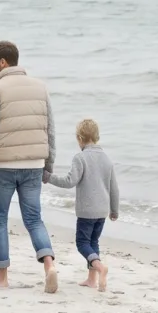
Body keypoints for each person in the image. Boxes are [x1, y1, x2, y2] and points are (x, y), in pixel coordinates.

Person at [0, 39, 60, 292]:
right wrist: (49, 163)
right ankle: (49, 266)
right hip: (34, 164)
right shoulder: (40, 87)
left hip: (4, 166)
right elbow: (50, 129)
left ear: (3, 62)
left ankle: (2, 276)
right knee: (34, 218)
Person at [47, 117, 120, 291]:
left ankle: (100, 267)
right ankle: (92, 279)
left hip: (87, 211)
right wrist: (114, 210)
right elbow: (114, 188)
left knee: (82, 243)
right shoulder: (107, 159)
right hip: (102, 211)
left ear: (79, 138)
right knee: (94, 242)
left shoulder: (80, 158)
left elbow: (69, 181)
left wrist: (48, 177)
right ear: (97, 136)